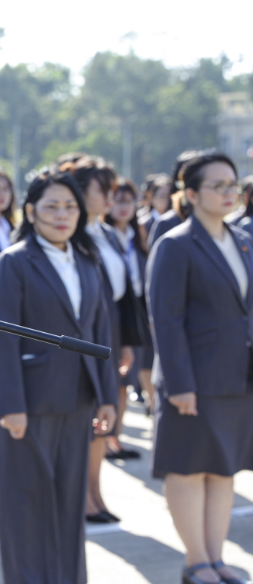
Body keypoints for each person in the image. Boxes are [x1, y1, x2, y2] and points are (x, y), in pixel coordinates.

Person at [0, 170, 117, 584]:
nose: (62, 215)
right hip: (29, 398)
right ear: (30, 211)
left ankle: (63, 583)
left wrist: (108, 395)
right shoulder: (14, 261)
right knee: (26, 493)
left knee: (66, 492)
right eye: (51, 206)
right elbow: (1, 337)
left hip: (78, 394)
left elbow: (101, 330)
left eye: (70, 207)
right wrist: (11, 405)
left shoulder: (87, 259)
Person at [148, 150, 253, 584]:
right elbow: (164, 320)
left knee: (223, 470)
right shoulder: (175, 244)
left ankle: (217, 557)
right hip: (193, 381)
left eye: (234, 184)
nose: (229, 192)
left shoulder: (243, 239)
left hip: (236, 378)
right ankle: (196, 562)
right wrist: (180, 384)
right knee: (190, 470)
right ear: (190, 194)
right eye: (219, 185)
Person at [61, 156, 141, 524]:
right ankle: (83, 496)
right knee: (88, 418)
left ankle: (95, 492)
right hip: (85, 339)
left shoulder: (106, 232)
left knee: (102, 420)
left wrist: (126, 340)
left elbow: (122, 295)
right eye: (101, 190)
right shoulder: (72, 235)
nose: (109, 198)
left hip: (110, 334)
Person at [105, 179, 155, 418]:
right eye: (118, 200)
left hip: (136, 308)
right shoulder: (104, 236)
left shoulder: (137, 236)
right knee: (114, 378)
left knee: (126, 377)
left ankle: (116, 435)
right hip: (113, 309)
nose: (123, 207)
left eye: (129, 201)